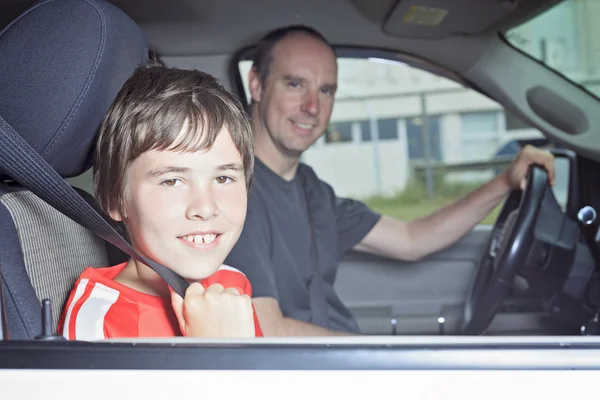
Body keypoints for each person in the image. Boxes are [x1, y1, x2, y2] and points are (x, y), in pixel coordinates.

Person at [224, 25, 556, 336]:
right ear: (256, 84)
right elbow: (268, 331)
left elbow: (412, 240)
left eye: (326, 90)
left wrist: (504, 183)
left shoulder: (310, 188)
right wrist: (379, 356)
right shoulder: (235, 194)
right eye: (295, 84)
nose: (313, 106)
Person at [58, 65, 262, 339]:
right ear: (115, 199)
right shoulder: (98, 324)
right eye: (172, 181)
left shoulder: (230, 286)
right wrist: (217, 350)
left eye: (223, 178)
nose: (205, 207)